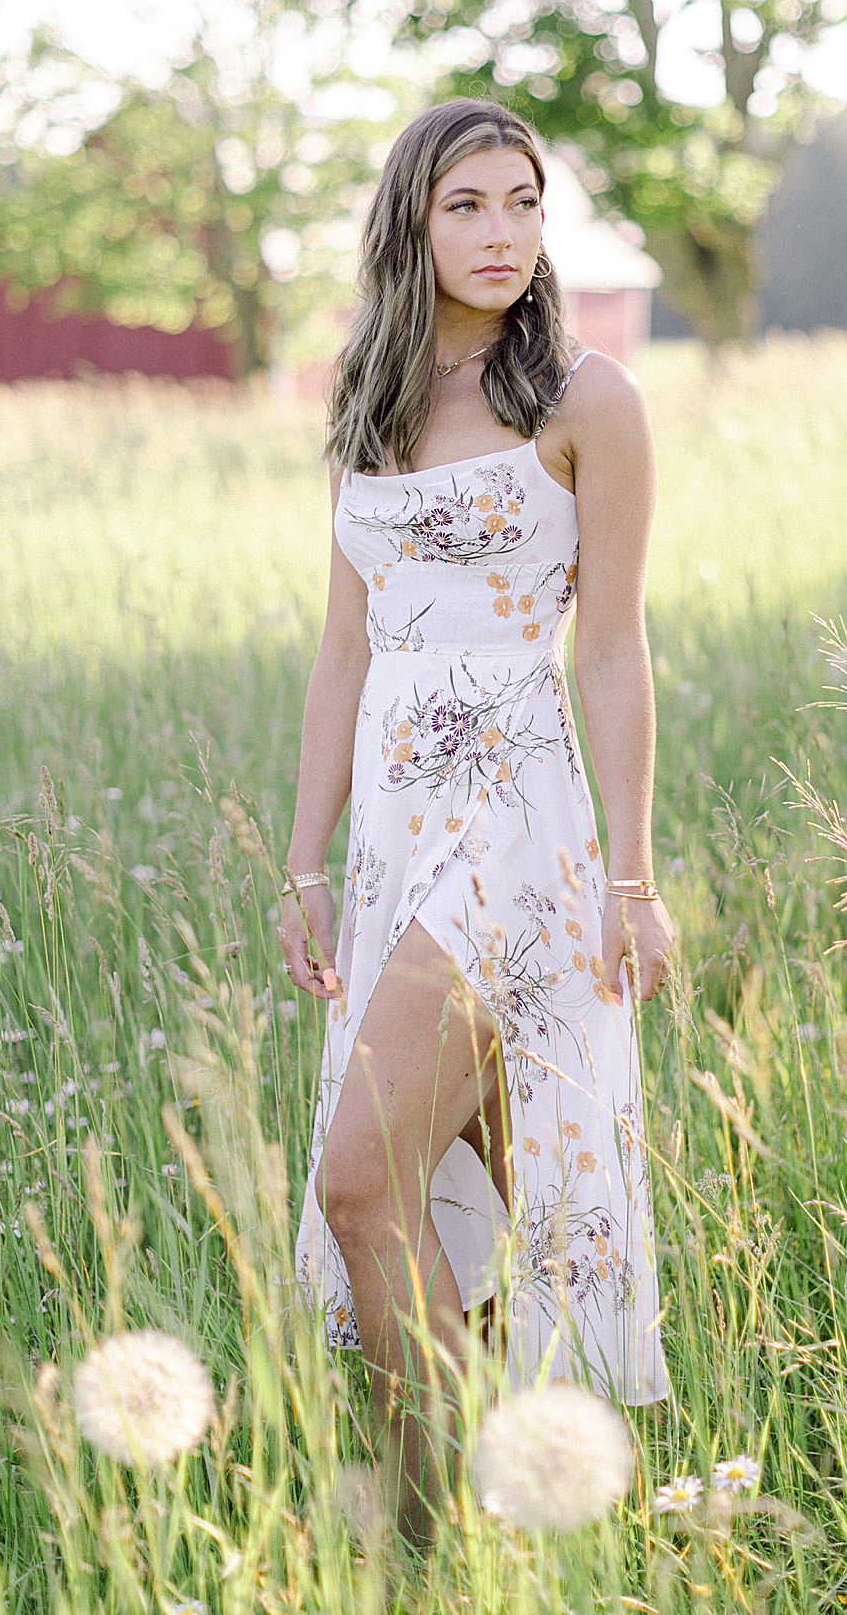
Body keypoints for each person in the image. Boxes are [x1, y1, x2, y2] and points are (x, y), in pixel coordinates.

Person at [281, 96, 677, 1547]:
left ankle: (444, 1512)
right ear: (413, 220)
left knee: (361, 1177)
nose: (504, 232)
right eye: (470, 205)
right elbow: (344, 651)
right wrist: (305, 860)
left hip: (515, 826)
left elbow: (616, 647)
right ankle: (518, 1528)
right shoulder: (366, 397)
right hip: (393, 832)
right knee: (500, 1186)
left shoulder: (588, 399)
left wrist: (632, 880)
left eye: (525, 201)